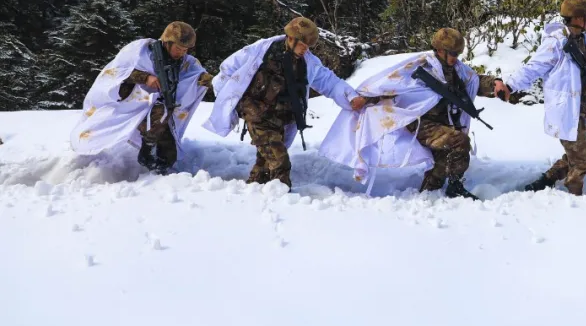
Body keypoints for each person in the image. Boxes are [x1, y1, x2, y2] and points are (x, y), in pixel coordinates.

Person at [320, 28, 500, 199]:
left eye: (457, 54)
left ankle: (430, 192)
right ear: (439, 50)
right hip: (422, 123)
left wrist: (495, 85)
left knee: (447, 154)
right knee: (458, 141)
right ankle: (454, 188)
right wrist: (365, 98)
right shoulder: (421, 67)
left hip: (445, 123)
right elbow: (390, 85)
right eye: (451, 53)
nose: (455, 58)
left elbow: (474, 81)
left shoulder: (458, 70)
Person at [203, 17, 365, 190]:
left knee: (265, 161)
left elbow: (330, 82)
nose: (305, 49)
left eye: (308, 46)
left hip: (282, 117)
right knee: (279, 160)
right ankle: (282, 192)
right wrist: (227, 99)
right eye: (302, 44)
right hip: (256, 113)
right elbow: (228, 69)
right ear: (290, 38)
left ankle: (255, 188)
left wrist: (351, 97)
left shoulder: (308, 63)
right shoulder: (261, 50)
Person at [494, 0, 586, 196]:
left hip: (581, 106)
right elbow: (533, 68)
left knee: (573, 154)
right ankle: (573, 195)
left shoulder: (583, 39)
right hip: (566, 108)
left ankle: (548, 179)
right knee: (581, 161)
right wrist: (510, 86)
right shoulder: (556, 43)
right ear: (577, 18)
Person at [71, 22, 214, 173]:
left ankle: (159, 171)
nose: (181, 53)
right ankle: (147, 151)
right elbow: (117, 72)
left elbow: (197, 76)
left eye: (185, 50)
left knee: (169, 156)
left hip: (162, 110)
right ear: (167, 42)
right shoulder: (140, 51)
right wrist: (145, 78)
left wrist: (216, 82)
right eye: (178, 48)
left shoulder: (185, 62)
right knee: (158, 113)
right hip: (130, 103)